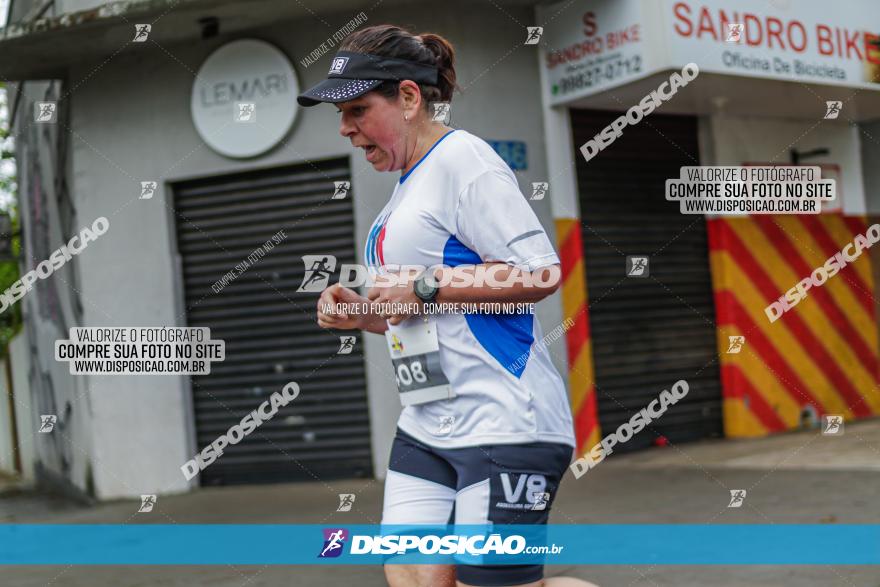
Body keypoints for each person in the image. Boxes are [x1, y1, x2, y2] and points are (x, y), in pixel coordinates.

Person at [300, 24, 597, 587]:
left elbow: (540, 271)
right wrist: (363, 314)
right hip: (428, 423)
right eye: (341, 115)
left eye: (358, 110)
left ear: (409, 98)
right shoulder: (406, 187)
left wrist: (427, 285)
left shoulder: (466, 162)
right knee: (412, 576)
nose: (345, 128)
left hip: (504, 421)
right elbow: (419, 311)